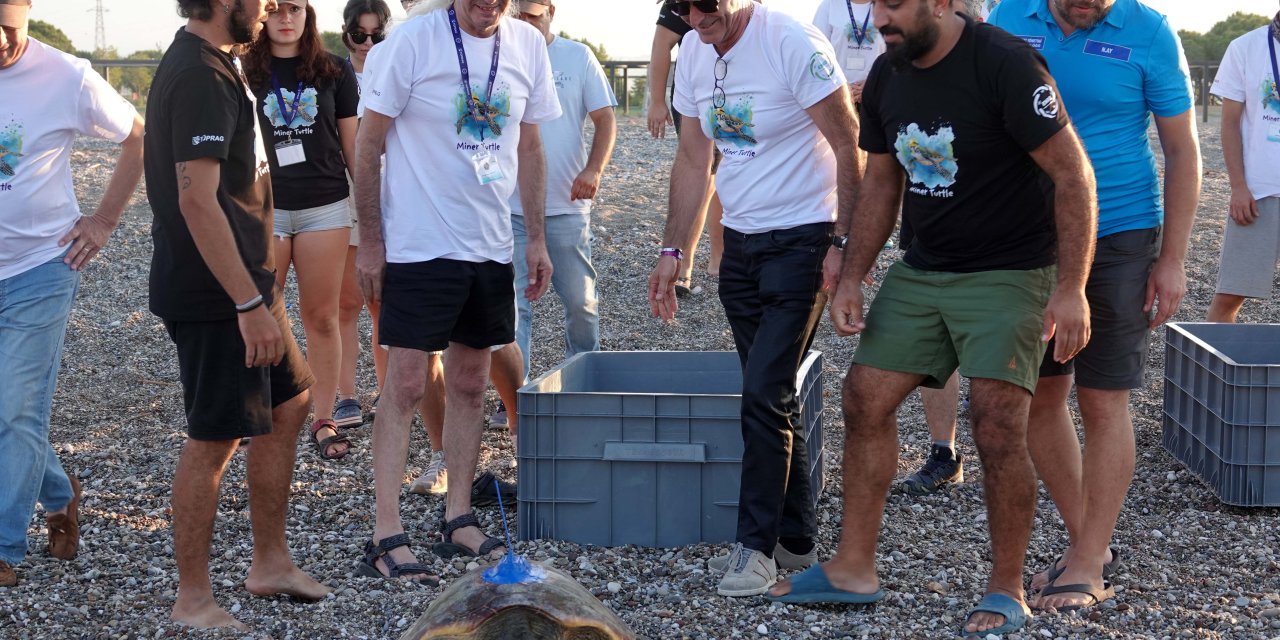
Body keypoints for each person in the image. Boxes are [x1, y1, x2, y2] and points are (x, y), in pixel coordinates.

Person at [768, 2, 1098, 636]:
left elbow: (1072, 175)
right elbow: (882, 183)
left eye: (894, 3)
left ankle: (1006, 588)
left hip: (1010, 269)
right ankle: (852, 568)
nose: (879, 17)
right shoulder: (888, 73)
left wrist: (1071, 288)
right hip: (924, 268)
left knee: (997, 420)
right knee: (864, 397)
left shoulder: (1005, 63)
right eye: (875, 3)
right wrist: (853, 273)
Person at [989, 0, 1201, 611]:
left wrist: (1172, 258)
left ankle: (1086, 560)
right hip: (1028, 234)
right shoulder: (1008, 16)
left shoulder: (1149, 31)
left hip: (1119, 231)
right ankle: (1089, 541)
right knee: (1039, 394)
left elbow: (1183, 150)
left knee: (1103, 397)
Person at [648, 0, 861, 597]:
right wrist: (673, 250)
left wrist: (844, 246)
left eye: (708, 5)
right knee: (771, 391)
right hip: (738, 243)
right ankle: (796, 538)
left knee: (763, 392)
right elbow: (694, 158)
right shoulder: (694, 52)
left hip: (804, 238)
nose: (696, 18)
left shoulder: (793, 44)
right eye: (682, 7)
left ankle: (756, 548)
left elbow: (851, 146)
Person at [354, 0, 559, 577]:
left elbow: (530, 146)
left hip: (489, 245)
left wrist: (536, 238)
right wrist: (370, 242)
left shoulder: (527, 44)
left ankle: (459, 517)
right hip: (418, 244)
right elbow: (368, 145)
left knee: (471, 383)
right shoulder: (412, 41)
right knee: (406, 384)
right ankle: (386, 532)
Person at [146, 0, 331, 629]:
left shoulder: (218, 62)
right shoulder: (199, 74)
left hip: (249, 285)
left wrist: (258, 292)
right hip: (217, 295)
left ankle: (270, 563)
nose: (272, 5)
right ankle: (192, 599)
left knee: (290, 403)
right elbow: (196, 200)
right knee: (215, 438)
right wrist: (247, 304)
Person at [0, 0, 143, 588]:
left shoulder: (66, 76)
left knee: (15, 407)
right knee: (9, 412)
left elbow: (139, 137)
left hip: (39, 268)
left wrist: (104, 220)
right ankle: (59, 493)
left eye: (8, 27)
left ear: (27, 10)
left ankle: (5, 547)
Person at [245, 0, 360, 459]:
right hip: (266, 208)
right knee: (259, 314)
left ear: (308, 13)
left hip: (324, 207)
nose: (285, 18)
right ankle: (254, 415)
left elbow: (353, 148)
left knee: (322, 317)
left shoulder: (334, 70)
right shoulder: (243, 70)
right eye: (275, 9)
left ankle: (324, 418)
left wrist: (373, 213)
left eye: (295, 8)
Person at [511, 0, 617, 377]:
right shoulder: (498, 55)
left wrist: (594, 169)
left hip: (566, 205)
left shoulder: (578, 56)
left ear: (551, 12)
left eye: (533, 15)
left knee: (580, 301)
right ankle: (516, 394)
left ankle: (585, 375)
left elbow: (606, 119)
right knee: (514, 307)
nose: (526, 22)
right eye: (519, 15)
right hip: (509, 208)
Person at [1205, 6, 1280, 322]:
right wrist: (1238, 186)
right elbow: (1229, 124)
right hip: (1259, 193)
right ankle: (1211, 357)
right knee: (1229, 295)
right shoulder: (1245, 47)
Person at [648, 0, 722, 288]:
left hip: (740, 90)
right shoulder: (681, 6)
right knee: (706, 173)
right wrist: (656, 101)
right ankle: (685, 259)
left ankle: (719, 258)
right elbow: (661, 44)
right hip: (697, 93)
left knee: (727, 172)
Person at [811, 0, 886, 105]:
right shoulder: (829, 5)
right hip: (836, 96)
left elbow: (894, 55)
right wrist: (839, 87)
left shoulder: (886, 6)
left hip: (876, 96)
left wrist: (873, 83)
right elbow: (816, 53)